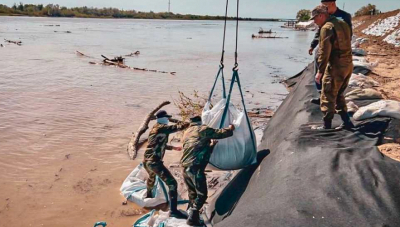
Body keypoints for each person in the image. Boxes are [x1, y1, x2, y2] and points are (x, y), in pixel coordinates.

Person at [181, 116, 235, 226]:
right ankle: (192, 218)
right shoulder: (202, 129)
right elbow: (220, 133)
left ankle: (191, 214)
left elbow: (197, 148)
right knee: (202, 195)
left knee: (192, 193)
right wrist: (230, 129)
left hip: (184, 167)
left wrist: (211, 145)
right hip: (195, 168)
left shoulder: (186, 132)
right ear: (199, 122)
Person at [311, 5, 355, 130]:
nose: (314, 22)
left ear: (321, 15)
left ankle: (327, 125)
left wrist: (320, 71)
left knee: (328, 94)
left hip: (335, 66)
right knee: (339, 93)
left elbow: (324, 52)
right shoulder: (342, 23)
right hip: (347, 64)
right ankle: (346, 122)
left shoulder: (326, 27)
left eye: (315, 19)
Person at [142, 110, 189, 219]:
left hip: (146, 160)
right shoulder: (161, 127)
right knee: (172, 183)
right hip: (154, 162)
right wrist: (189, 122)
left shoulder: (155, 128)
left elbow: (157, 143)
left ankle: (149, 195)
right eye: (167, 118)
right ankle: (173, 211)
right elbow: (180, 127)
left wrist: (172, 147)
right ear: (162, 118)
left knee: (151, 177)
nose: (167, 120)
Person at [309, 0, 352, 105]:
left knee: (331, 76)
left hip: (336, 51)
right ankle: (322, 96)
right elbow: (319, 32)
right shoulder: (325, 16)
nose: (324, 8)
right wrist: (312, 45)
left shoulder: (343, 16)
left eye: (325, 6)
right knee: (319, 70)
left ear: (332, 3)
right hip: (324, 46)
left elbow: (348, 34)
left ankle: (332, 104)